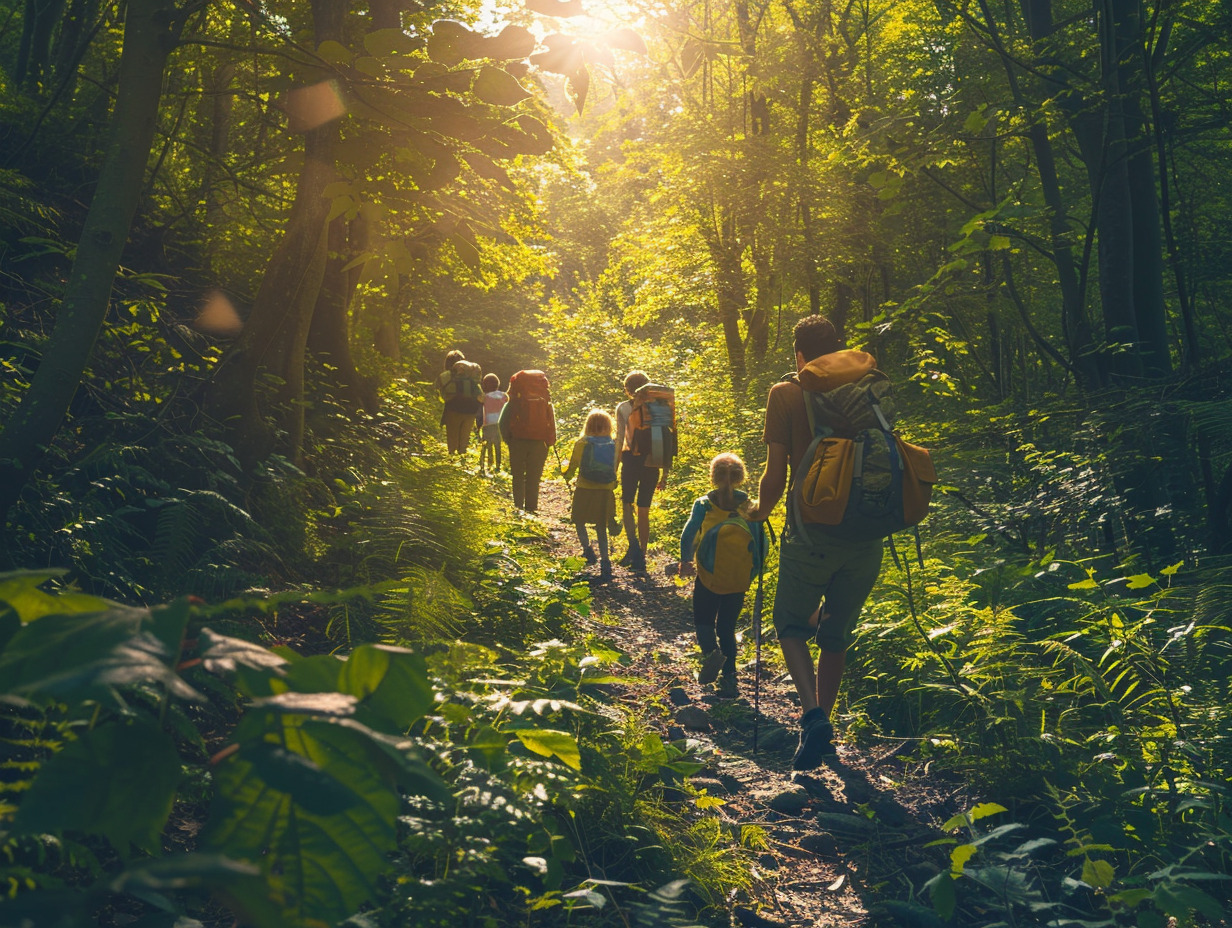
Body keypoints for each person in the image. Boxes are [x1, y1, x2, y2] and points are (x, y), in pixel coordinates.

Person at [746, 315, 886, 771]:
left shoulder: (785, 394)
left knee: (789, 623)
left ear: (800, 357)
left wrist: (759, 512)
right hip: (867, 532)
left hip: (811, 533)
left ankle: (811, 717)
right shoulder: (866, 389)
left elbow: (776, 473)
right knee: (835, 633)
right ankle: (826, 720)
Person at [679, 452, 764, 699]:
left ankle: (711, 654)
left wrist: (686, 561)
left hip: (708, 576)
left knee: (703, 621)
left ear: (713, 477)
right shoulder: (749, 506)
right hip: (738, 578)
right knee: (727, 627)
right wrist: (754, 572)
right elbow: (758, 542)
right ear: (741, 477)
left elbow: (688, 535)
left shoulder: (704, 504)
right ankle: (729, 677)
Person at [614, 370, 667, 572]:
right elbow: (664, 440)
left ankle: (633, 548)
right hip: (652, 462)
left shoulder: (623, 408)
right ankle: (642, 555)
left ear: (628, 390)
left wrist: (614, 468)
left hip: (630, 461)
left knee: (628, 503)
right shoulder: (659, 407)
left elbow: (620, 439)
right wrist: (665, 472)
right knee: (644, 508)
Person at [559, 409, 619, 582]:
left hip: (584, 487)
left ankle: (588, 550)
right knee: (601, 525)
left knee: (579, 520)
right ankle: (606, 562)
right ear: (609, 426)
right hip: (605, 490)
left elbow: (574, 464)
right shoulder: (613, 443)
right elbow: (615, 466)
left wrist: (567, 475)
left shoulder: (583, 443)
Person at [499, 369, 556, 513]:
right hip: (540, 442)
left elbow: (502, 422)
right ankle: (531, 508)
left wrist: (508, 439)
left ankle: (518, 507)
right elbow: (551, 420)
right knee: (534, 477)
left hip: (517, 440)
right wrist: (550, 440)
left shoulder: (515, 400)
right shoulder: (545, 400)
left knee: (517, 476)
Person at [437, 349, 481, 457]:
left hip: (453, 408)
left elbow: (438, 388)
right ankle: (462, 455)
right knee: (465, 434)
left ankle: (452, 456)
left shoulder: (447, 375)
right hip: (471, 409)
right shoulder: (471, 375)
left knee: (452, 433)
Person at [477, 373, 508, 475]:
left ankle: (485, 466)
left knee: (486, 445)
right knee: (498, 445)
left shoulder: (485, 397)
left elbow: (479, 411)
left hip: (488, 423)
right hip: (500, 424)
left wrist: (478, 425)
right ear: (498, 384)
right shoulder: (504, 396)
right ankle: (498, 466)